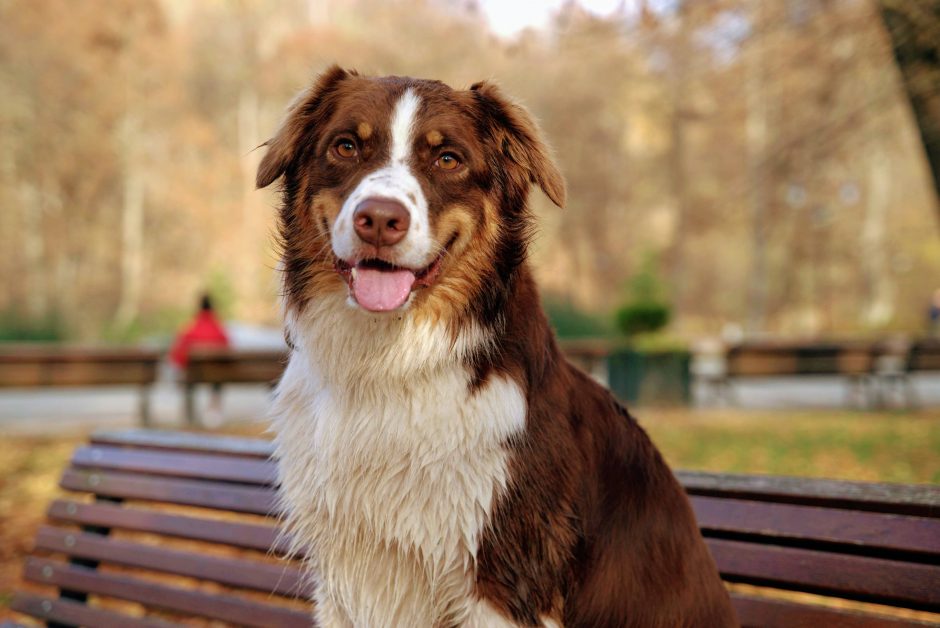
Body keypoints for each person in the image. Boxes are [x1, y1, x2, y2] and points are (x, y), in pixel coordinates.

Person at [170, 293, 230, 425]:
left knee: (188, 379)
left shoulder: (191, 327)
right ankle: (214, 411)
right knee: (216, 376)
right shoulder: (218, 327)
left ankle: (188, 415)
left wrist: (181, 365)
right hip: (216, 375)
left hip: (194, 374)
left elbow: (178, 352)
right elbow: (227, 348)